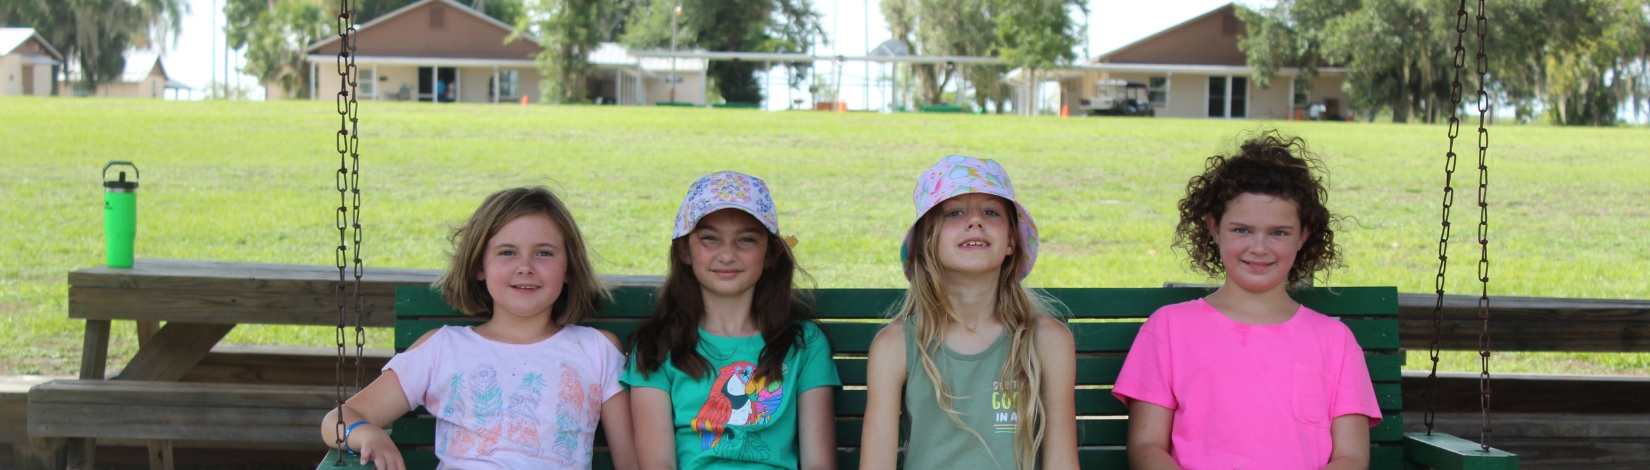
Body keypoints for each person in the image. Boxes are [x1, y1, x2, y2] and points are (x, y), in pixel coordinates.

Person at [319, 187, 637, 470]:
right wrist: (368, 434)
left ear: (568, 268)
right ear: (479, 267)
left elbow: (630, 461)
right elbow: (338, 419)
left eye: (544, 253)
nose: (525, 266)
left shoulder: (595, 350)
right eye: (507, 252)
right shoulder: (443, 348)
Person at [1115, 132, 1382, 469]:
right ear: (1214, 227)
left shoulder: (1335, 341)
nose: (1259, 247)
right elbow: (1147, 446)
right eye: (1242, 230)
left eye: (1278, 232)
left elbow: (1351, 457)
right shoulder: (1168, 329)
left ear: (1303, 234)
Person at [861, 156, 1079, 470]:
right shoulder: (895, 346)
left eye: (990, 212)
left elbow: (1062, 463)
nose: (975, 221)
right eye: (955, 212)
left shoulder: (1048, 341)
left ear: (1011, 242)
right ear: (926, 242)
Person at [624, 171, 840, 470]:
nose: (727, 254)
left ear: (770, 252)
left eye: (746, 239)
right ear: (685, 249)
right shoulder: (657, 347)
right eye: (710, 238)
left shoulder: (803, 343)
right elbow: (657, 463)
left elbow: (818, 463)